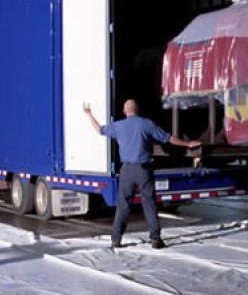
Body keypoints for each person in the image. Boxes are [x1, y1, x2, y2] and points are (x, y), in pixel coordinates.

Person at [83, 99, 200, 249]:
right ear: (137, 110)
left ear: (125, 111)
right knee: (149, 204)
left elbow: (99, 129)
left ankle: (116, 239)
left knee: (123, 205)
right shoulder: (146, 124)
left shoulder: (118, 126)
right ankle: (155, 238)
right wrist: (188, 144)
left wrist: (89, 114)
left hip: (127, 170)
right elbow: (168, 138)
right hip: (144, 169)